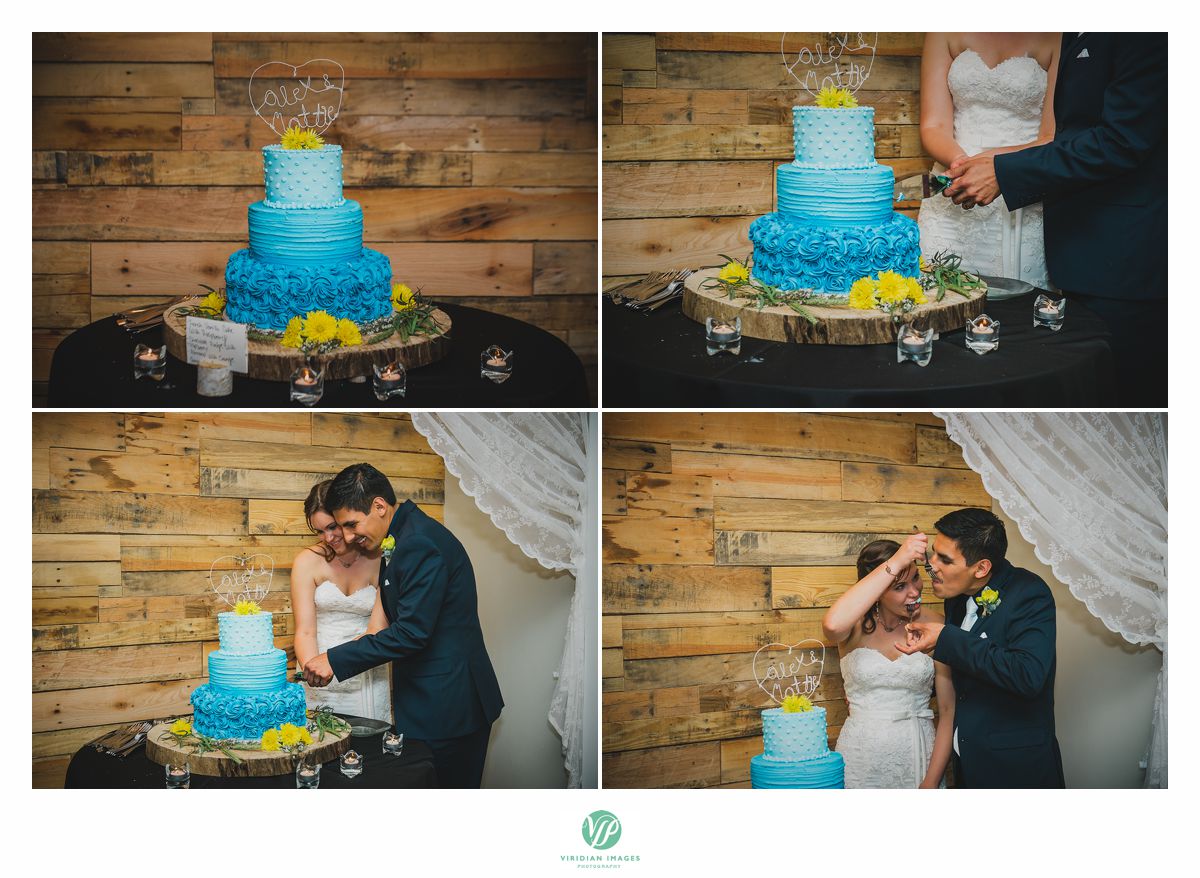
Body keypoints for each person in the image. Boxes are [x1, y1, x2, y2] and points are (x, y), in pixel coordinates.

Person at [945, 33, 1167, 406]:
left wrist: (1004, 171)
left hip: (1126, 258)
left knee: (1129, 404)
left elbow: (1121, 140)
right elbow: (1074, 130)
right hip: (1079, 249)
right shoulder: (1075, 30)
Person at [302, 463, 504, 788]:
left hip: (449, 704)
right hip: (429, 700)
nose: (349, 537)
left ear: (379, 506)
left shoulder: (419, 543)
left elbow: (411, 633)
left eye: (351, 524)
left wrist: (334, 659)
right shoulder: (400, 536)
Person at [897, 508, 1066, 788]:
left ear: (981, 568)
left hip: (1016, 769)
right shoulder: (956, 597)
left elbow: (1028, 675)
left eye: (945, 559)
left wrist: (947, 638)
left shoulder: (1030, 593)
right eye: (934, 553)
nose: (931, 565)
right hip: (967, 765)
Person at [917, 32, 1061, 288]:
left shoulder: (1059, 35)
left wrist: (995, 166)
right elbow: (933, 125)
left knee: (1018, 304)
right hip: (954, 189)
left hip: (1020, 193)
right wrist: (961, 163)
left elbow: (1051, 137)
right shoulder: (943, 29)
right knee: (941, 297)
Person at [823, 534, 955, 788]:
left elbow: (948, 711)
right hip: (860, 757)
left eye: (915, 577)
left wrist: (931, 781)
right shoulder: (853, 626)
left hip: (919, 753)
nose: (914, 592)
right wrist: (898, 560)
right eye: (899, 586)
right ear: (878, 591)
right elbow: (832, 626)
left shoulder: (937, 625)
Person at [290, 480, 391, 723]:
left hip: (368, 671)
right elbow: (305, 631)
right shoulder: (307, 561)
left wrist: (339, 662)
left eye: (332, 526)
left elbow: (378, 629)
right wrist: (313, 672)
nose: (328, 537)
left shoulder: (381, 559)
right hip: (317, 669)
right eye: (319, 531)